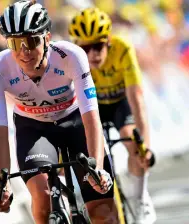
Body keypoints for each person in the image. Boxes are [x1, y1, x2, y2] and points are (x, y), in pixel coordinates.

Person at [0, 1, 118, 223]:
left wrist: (98, 168)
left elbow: (90, 116)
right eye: (15, 43)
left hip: (76, 123)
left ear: (46, 38)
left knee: (102, 213)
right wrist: (3, 186)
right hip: (34, 130)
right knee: (43, 197)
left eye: (30, 41)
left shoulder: (71, 56)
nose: (23, 51)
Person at [69, 7, 156, 223]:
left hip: (120, 103)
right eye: (86, 48)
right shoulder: (71, 57)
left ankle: (139, 196)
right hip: (93, 109)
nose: (93, 55)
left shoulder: (123, 48)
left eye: (97, 46)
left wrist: (144, 146)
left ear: (108, 40)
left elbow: (136, 99)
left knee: (134, 144)